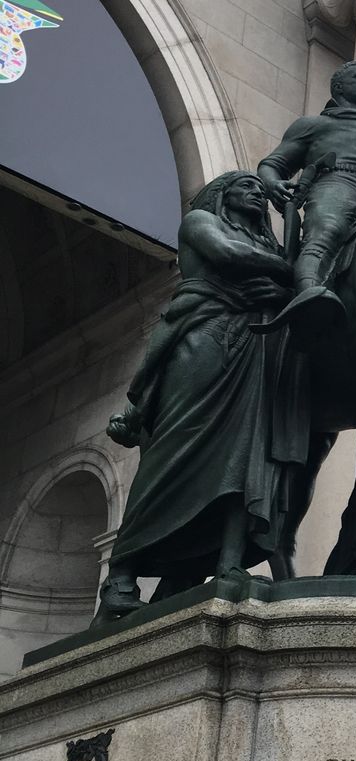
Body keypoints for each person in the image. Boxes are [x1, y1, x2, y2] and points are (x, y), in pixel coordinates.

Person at [94, 172, 307, 624]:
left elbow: (283, 284)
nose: (256, 192)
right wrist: (289, 268)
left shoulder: (267, 245)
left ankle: (228, 563)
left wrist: (282, 278)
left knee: (247, 455)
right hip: (203, 335)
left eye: (259, 188)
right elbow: (228, 254)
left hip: (254, 344)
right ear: (221, 195)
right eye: (245, 185)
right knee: (173, 451)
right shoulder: (201, 223)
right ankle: (120, 579)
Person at [256, 60, 356, 333]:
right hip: (336, 183)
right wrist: (272, 184)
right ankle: (309, 295)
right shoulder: (313, 124)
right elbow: (272, 164)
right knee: (325, 232)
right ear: (339, 86)